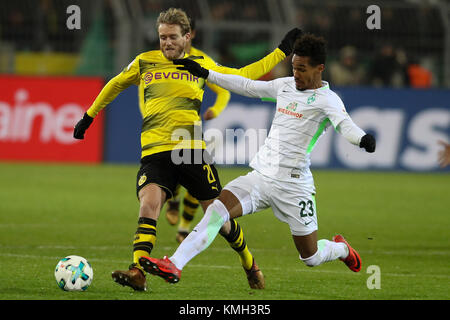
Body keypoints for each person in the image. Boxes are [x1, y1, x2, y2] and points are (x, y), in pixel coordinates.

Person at [73, 7, 302, 291]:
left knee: (219, 217)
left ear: (187, 36)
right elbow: (115, 85)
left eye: (172, 37)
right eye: (162, 37)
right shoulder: (145, 62)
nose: (166, 43)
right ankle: (138, 271)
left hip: (190, 150)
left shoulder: (201, 63)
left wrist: (281, 51)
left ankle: (248, 262)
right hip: (154, 152)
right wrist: (89, 116)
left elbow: (242, 75)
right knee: (148, 205)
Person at [138, 34, 377, 286]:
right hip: (261, 177)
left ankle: (341, 249)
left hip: (294, 187)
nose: (295, 73)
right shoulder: (285, 86)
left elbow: (345, 126)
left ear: (320, 68)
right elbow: (246, 85)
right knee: (217, 213)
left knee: (310, 256)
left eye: (302, 69)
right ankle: (174, 264)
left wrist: (362, 140)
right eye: (294, 67)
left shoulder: (328, 101)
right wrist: (206, 73)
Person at [159, 18, 231, 243]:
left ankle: (183, 228)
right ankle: (173, 200)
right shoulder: (158, 59)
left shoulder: (202, 60)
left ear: (190, 35)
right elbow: (144, 90)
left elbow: (224, 90)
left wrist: (216, 111)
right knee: (175, 172)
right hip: (162, 127)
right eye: (167, 36)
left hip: (189, 127)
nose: (171, 40)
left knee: (197, 178)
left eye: (177, 35)